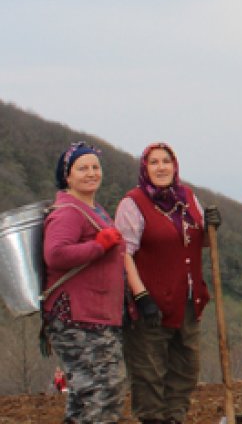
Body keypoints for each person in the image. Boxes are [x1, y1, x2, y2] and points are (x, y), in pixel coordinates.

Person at [117, 143, 219, 424]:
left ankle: (176, 418)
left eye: (166, 161)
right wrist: (141, 296)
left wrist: (211, 228)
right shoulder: (133, 203)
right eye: (154, 162)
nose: (161, 167)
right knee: (149, 372)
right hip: (151, 304)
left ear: (175, 166)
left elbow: (201, 243)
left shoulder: (187, 197)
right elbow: (123, 253)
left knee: (186, 367)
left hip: (188, 300)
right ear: (145, 168)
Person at [41, 142, 127, 424]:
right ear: (68, 176)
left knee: (86, 395)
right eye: (82, 169)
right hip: (77, 316)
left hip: (95, 314)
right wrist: (98, 246)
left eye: (94, 167)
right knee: (103, 392)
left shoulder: (92, 208)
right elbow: (55, 254)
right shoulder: (68, 212)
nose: (91, 173)